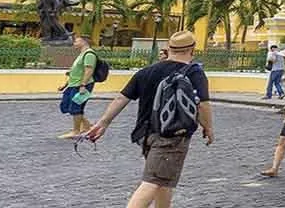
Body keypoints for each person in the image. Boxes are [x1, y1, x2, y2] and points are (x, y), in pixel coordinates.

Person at [85, 30, 214, 208]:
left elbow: (122, 98)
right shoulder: (194, 73)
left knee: (163, 180)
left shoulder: (147, 71)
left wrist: (103, 123)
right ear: (192, 50)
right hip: (171, 136)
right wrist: (208, 127)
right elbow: (203, 105)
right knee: (153, 181)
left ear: (169, 49)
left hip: (145, 134)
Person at [57, 34, 97, 138]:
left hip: (82, 85)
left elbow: (89, 70)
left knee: (76, 107)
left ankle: (76, 131)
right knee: (66, 106)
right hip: (72, 85)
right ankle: (87, 125)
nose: (74, 43)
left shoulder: (89, 54)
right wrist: (65, 85)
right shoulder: (81, 54)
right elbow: (75, 71)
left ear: (84, 41)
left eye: (76, 41)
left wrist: (83, 85)